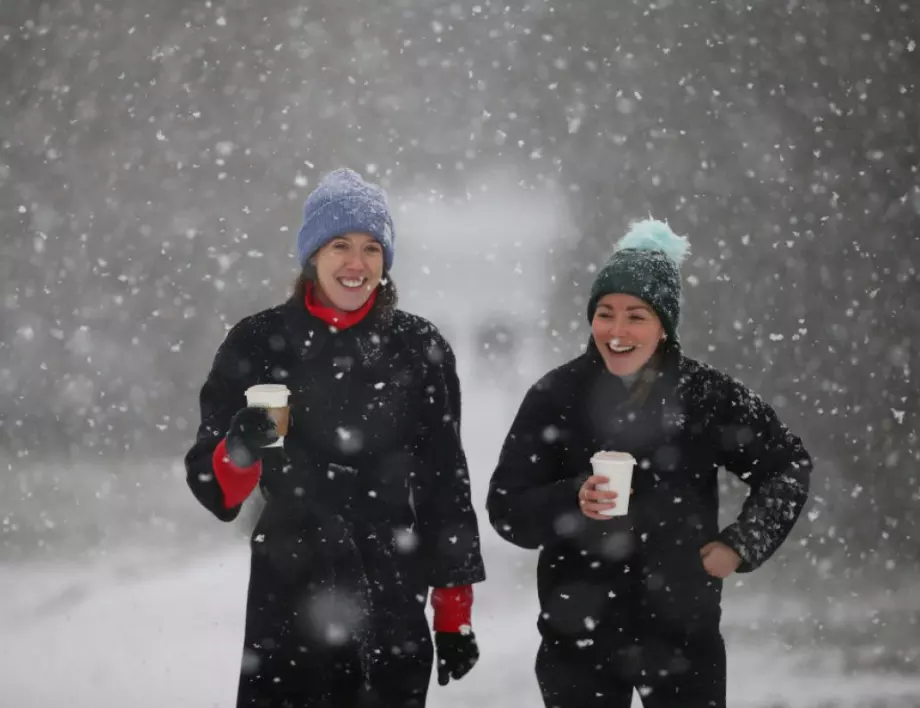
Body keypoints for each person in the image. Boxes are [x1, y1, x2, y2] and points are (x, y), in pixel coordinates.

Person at [185, 168, 486, 708]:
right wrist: (241, 447)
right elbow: (215, 490)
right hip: (288, 586)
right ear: (312, 256)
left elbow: (445, 483)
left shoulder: (419, 348)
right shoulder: (257, 342)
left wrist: (453, 611)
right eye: (340, 244)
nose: (356, 263)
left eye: (372, 248)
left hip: (391, 584)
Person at [486, 219, 812, 708]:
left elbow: (788, 465)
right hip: (577, 641)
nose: (616, 332)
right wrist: (571, 499)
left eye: (636, 316)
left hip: (683, 639)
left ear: (665, 325)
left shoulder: (706, 396)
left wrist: (742, 545)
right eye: (605, 313)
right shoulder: (554, 396)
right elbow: (506, 508)